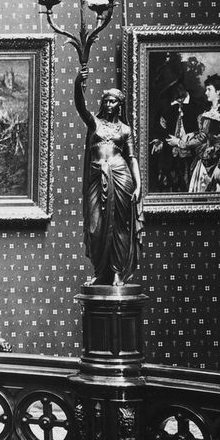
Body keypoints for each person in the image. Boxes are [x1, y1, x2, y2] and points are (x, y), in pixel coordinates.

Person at [75, 66, 143, 286]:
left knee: (119, 227)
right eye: (106, 101)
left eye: (113, 101)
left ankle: (116, 272)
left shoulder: (125, 130)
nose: (108, 104)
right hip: (97, 177)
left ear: (119, 105)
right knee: (95, 227)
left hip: (120, 177)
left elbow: (131, 158)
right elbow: (80, 106)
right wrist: (78, 83)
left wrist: (139, 185)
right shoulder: (94, 122)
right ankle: (99, 272)